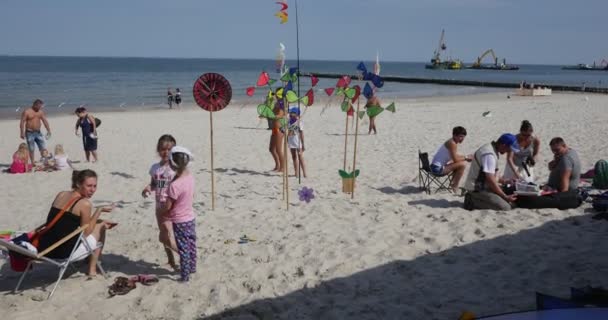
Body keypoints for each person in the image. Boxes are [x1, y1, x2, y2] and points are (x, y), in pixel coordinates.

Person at [37, 170, 117, 277]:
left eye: (95, 186)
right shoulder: (85, 204)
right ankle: (92, 269)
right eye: (89, 186)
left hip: (45, 246)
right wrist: (98, 211)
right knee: (101, 225)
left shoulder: (61, 194)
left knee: (98, 222)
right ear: (78, 184)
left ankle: (89, 260)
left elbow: (66, 221)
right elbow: (86, 233)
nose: (92, 190)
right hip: (63, 252)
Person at [142, 134, 178, 271]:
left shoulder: (176, 168)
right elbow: (154, 184)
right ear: (158, 150)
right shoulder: (155, 168)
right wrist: (147, 189)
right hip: (159, 207)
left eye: (169, 149)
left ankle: (185, 257)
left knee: (171, 235)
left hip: (173, 207)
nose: (166, 152)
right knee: (164, 235)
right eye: (163, 149)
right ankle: (171, 261)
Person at [162, 146, 196, 282]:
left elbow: (168, 206)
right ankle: (193, 267)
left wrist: (163, 212)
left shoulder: (174, 186)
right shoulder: (190, 178)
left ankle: (185, 276)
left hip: (179, 221)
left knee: (183, 249)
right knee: (192, 244)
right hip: (190, 218)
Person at [463, 133, 519, 211]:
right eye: (508, 149)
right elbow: (490, 180)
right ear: (503, 145)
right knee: (505, 207)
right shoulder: (489, 155)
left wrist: (505, 181)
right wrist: (505, 196)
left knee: (510, 201)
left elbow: (492, 175)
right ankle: (471, 200)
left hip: (484, 186)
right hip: (477, 189)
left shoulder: (492, 149)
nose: (508, 152)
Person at [430, 126, 473, 193]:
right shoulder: (452, 143)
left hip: (433, 167)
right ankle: (454, 186)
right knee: (463, 165)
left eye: (463, 137)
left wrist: (465, 157)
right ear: (454, 135)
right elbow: (456, 159)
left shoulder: (451, 141)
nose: (462, 139)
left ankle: (453, 183)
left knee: (461, 163)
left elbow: (455, 157)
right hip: (437, 170)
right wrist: (466, 157)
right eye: (460, 136)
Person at [20, 99, 51, 170]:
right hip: (29, 133)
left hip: (38, 132)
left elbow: (44, 121)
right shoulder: (27, 112)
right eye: (39, 106)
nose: (40, 108)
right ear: (35, 105)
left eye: (41, 106)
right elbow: (22, 122)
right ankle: (33, 162)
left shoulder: (40, 112)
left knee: (43, 147)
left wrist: (48, 130)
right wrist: (21, 132)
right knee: (31, 149)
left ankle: (45, 161)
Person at [287, 107, 307, 178]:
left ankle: (304, 173)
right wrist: (287, 140)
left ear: (297, 114)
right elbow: (287, 132)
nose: (291, 114)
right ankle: (296, 173)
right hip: (290, 141)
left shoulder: (299, 122)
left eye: (293, 113)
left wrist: (303, 144)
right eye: (291, 112)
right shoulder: (288, 121)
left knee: (300, 157)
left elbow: (301, 133)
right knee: (294, 157)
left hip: (297, 142)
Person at [269, 100, 285, 172]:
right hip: (274, 129)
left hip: (279, 129)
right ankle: (277, 165)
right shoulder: (275, 105)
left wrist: (272, 116)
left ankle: (282, 167)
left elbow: (280, 115)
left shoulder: (282, 105)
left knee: (278, 150)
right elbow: (270, 113)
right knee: (271, 149)